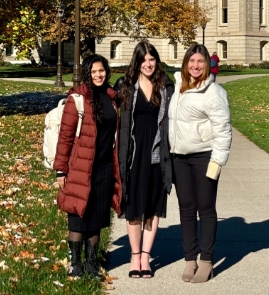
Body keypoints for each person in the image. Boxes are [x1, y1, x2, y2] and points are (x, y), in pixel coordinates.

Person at [53, 54, 122, 279]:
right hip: (80, 167)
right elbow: (65, 137)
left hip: (103, 167)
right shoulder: (78, 100)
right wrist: (61, 169)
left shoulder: (112, 98)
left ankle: (92, 264)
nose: (98, 75)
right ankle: (75, 264)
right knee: (78, 214)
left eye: (101, 71)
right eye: (93, 72)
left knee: (97, 216)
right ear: (86, 74)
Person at [169, 43, 232, 283]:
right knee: (186, 209)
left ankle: (206, 260)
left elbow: (223, 130)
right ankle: (189, 258)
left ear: (207, 64)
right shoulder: (178, 87)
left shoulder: (214, 92)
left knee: (205, 208)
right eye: (192, 61)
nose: (195, 66)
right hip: (179, 157)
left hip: (204, 156)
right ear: (186, 64)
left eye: (200, 62)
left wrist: (217, 161)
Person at [113, 41, 173, 279]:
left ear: (156, 61)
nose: (148, 64)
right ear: (136, 62)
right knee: (134, 207)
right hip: (134, 156)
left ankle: (146, 256)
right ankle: (134, 255)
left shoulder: (166, 86)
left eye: (152, 59)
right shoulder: (126, 86)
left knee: (153, 207)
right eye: (143, 60)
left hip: (158, 155)